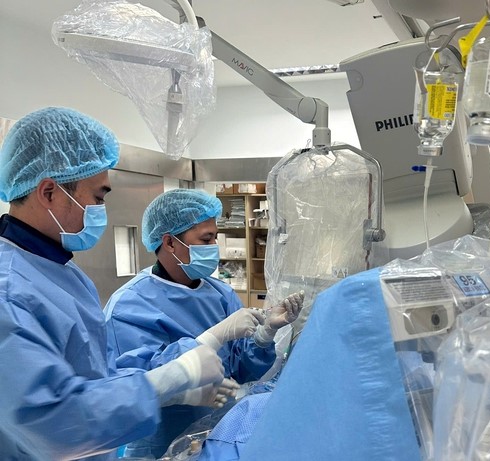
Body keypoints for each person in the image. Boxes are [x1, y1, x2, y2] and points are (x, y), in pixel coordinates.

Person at [0, 107, 229, 461]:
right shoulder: (9, 292)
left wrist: (171, 392)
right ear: (48, 192)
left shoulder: (63, 274)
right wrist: (166, 380)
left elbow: (96, 374)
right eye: (98, 197)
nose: (100, 209)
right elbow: (55, 426)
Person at [103, 188, 304, 458]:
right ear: (170, 242)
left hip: (219, 437)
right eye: (206, 239)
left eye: (215, 238)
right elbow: (134, 386)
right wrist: (213, 337)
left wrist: (264, 335)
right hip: (159, 446)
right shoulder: (129, 305)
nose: (214, 247)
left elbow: (241, 371)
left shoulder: (220, 295)